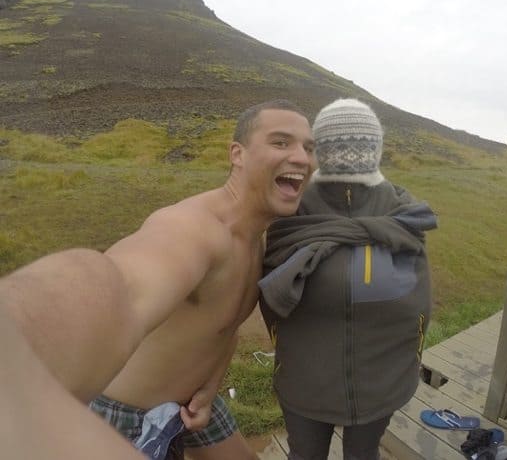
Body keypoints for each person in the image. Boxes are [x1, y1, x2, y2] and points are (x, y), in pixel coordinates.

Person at [0, 99, 315, 460]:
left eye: (308, 147)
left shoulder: (256, 237)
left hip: (192, 403)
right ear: (237, 154)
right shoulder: (193, 228)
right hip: (122, 416)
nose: (303, 159)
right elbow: (123, 290)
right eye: (280, 142)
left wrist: (212, 384)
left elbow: (222, 325)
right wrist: (15, 349)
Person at [259, 98, 437, 460]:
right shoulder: (290, 210)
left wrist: (408, 359)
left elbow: (420, 303)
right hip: (304, 384)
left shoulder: (404, 215)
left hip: (382, 385)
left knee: (363, 454)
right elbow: (268, 296)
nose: (349, 155)